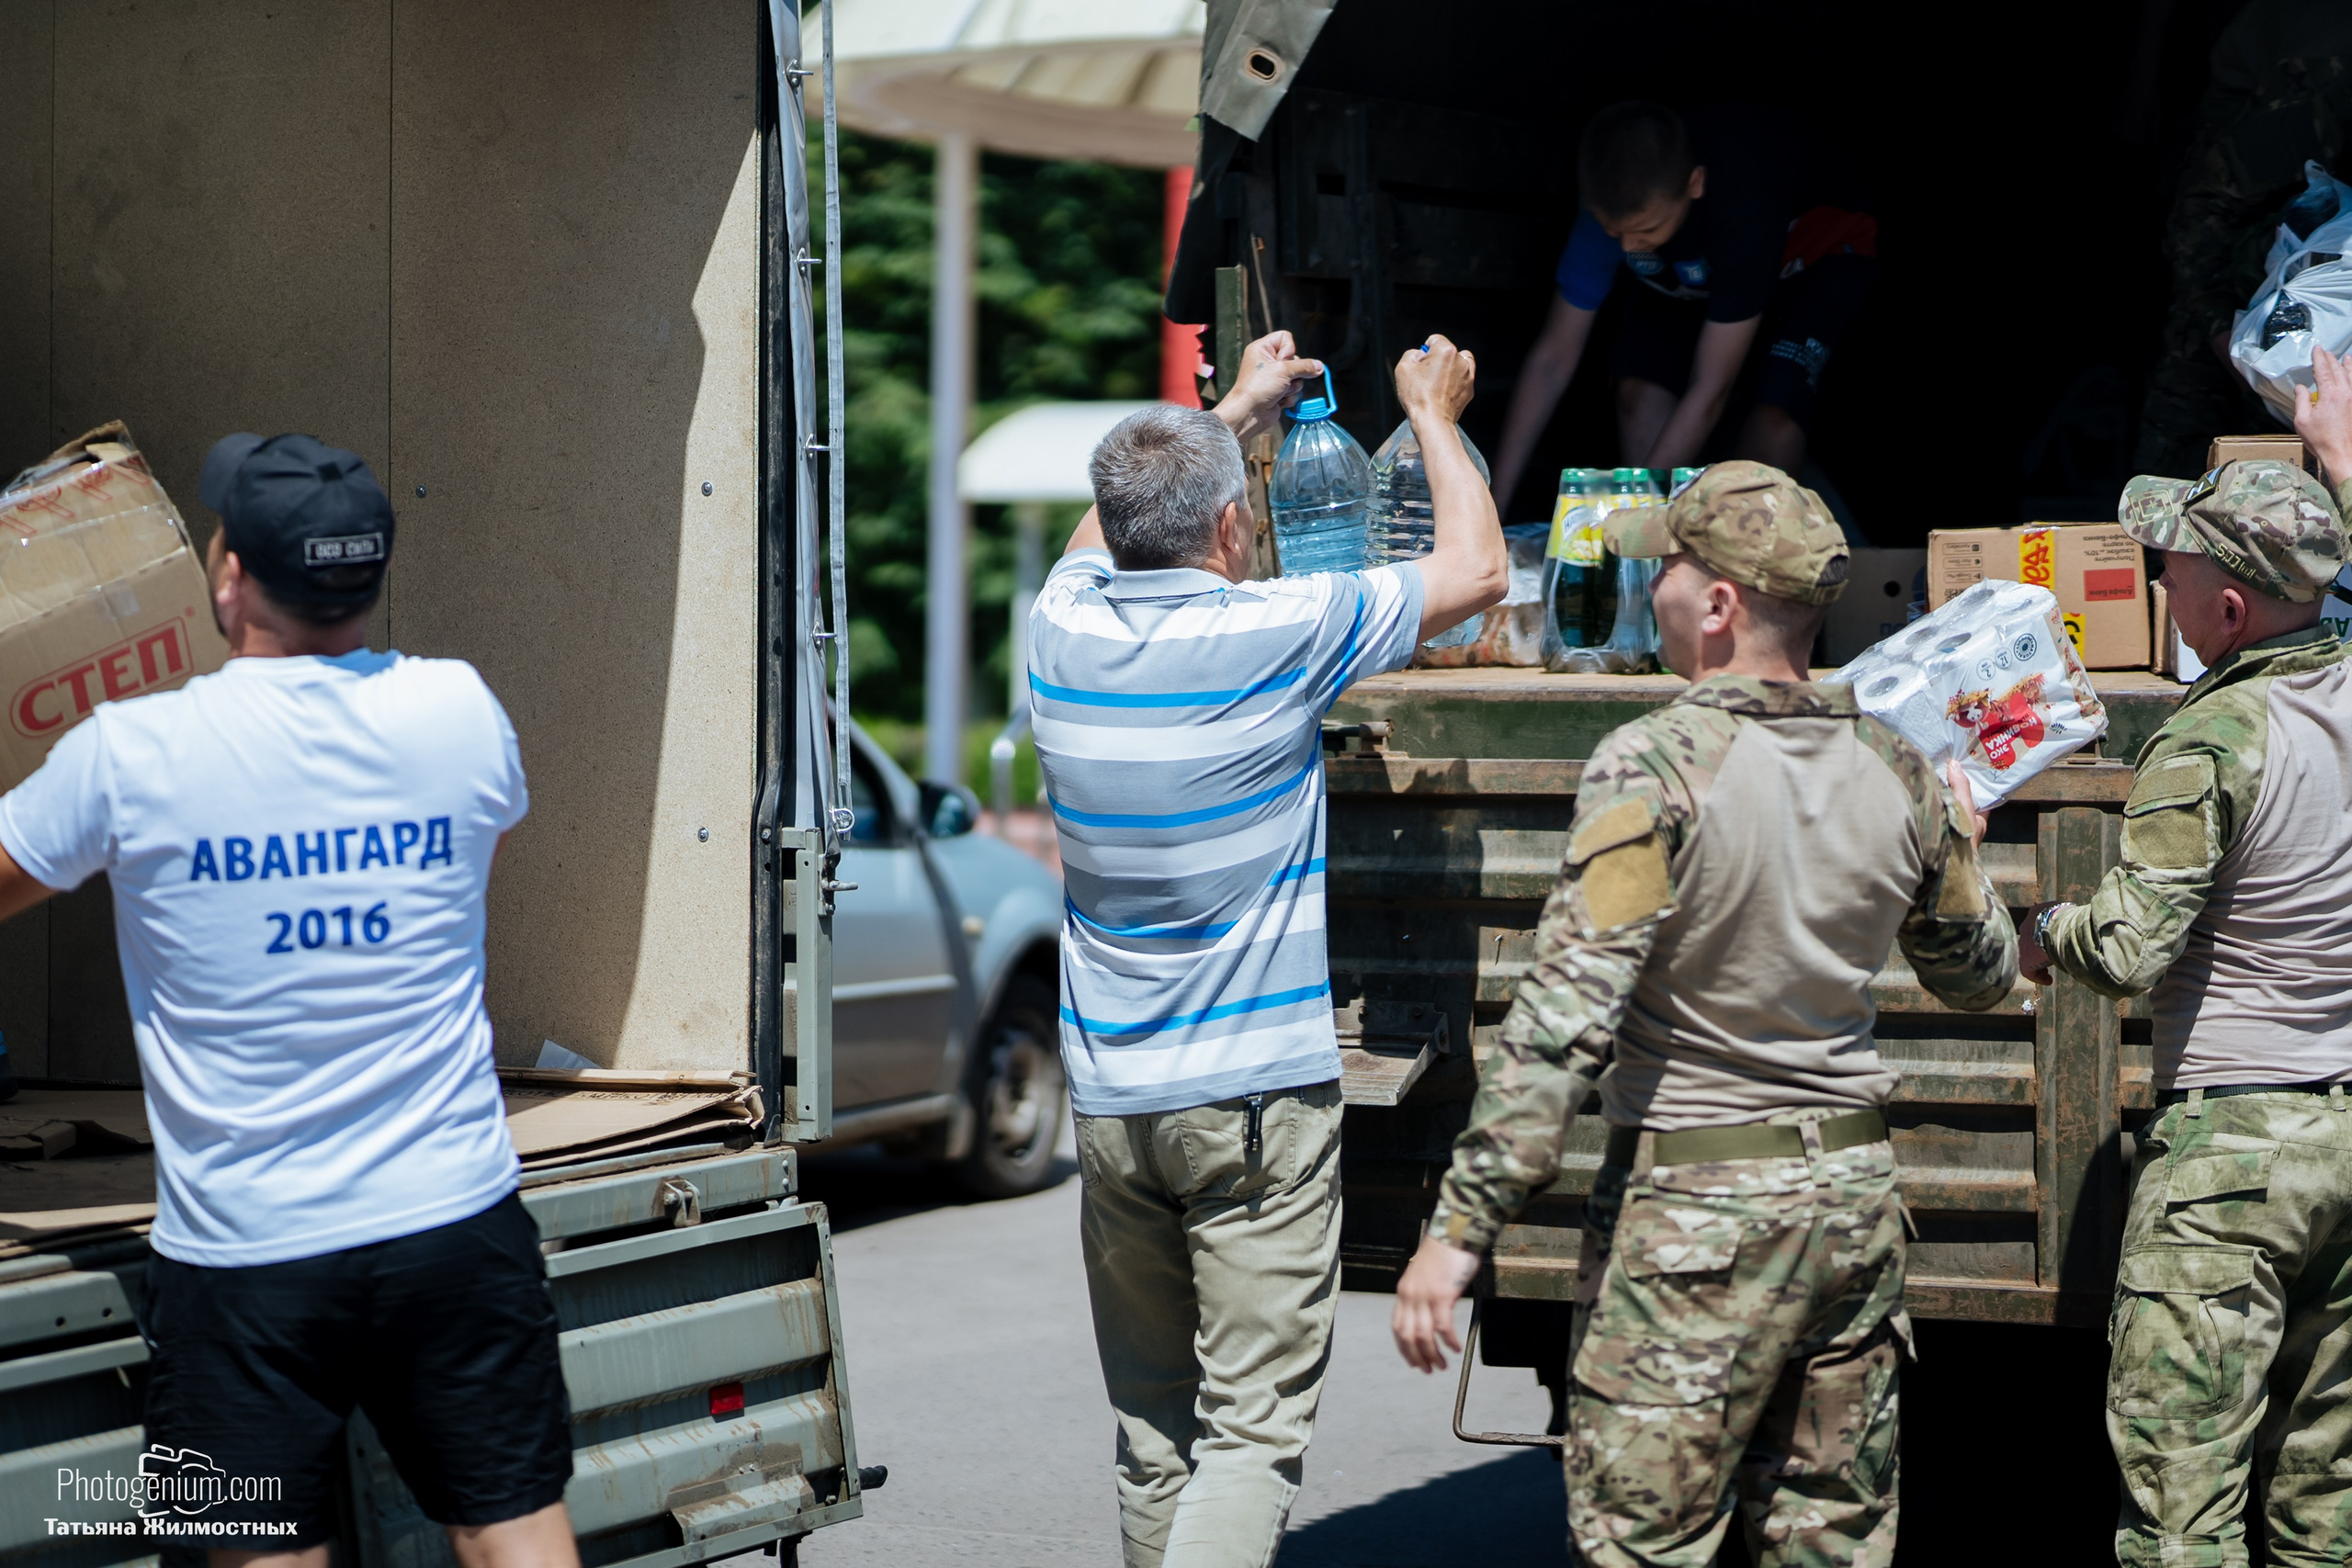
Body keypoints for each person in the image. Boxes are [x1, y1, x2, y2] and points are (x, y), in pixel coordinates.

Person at [1389, 461, 2018, 1568]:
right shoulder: (1900, 766)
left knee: (1643, 1544)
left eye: (1670, 567)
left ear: (1719, 605)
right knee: (1828, 1542)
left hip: (1696, 1219)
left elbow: (1566, 1013)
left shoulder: (1656, 765)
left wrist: (1458, 1233)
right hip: (1852, 1214)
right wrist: (1952, 840)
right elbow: (1978, 975)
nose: (1658, 587)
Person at [0, 434, 572, 1568]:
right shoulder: (461, 714)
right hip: (453, 1223)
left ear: (226, 574)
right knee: (512, 1523)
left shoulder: (130, 752)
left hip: (247, 1259)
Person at [1029, 332, 1505, 1566]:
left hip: (1114, 1105)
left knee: (1154, 1430)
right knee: (1250, 1435)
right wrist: (1431, 414)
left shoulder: (1059, 634)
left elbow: (1105, 531)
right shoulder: (1274, 634)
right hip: (1248, 1107)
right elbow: (1479, 567)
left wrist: (1228, 412)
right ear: (1234, 530)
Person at [2018, 349, 2352, 1568]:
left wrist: (2042, 933)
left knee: (2182, 1509)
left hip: (2233, 1166)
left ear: (2227, 609)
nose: (2160, 572)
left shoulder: (2213, 733)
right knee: (2329, 1508)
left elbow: (2129, 942)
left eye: (2182, 561)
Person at [1488, 102, 1877, 514]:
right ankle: (1652, 559)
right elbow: (1552, 359)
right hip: (1691, 269)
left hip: (1816, 259)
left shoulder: (1744, 209)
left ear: (1695, 183)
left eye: (1645, 229)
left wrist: (1634, 508)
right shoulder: (1617, 213)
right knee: (1640, 393)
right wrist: (1494, 505)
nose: (1626, 247)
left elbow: (1711, 387)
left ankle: (1739, 557)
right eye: (1613, 231)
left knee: (1775, 415)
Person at [2133, 0, 2352, 479]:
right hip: (2245, 286)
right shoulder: (2315, 91)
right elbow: (2202, 222)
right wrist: (2231, 343)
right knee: (2190, 482)